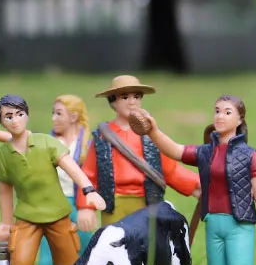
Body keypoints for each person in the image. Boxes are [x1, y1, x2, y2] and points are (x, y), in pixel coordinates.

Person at [138, 95, 256, 265]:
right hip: (213, 223)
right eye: (217, 111)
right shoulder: (206, 152)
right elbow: (175, 150)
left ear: (239, 119)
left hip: (239, 225)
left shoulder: (252, 156)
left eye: (227, 112)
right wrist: (153, 131)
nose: (220, 116)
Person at [0, 94, 105, 265]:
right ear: (1, 122)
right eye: (8, 117)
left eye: (19, 114)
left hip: (58, 215)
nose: (15, 121)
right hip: (27, 217)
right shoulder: (5, 154)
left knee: (69, 264)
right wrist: (6, 222)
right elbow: (4, 189)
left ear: (27, 115)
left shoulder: (46, 142)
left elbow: (72, 168)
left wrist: (89, 190)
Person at [76, 75, 200, 231]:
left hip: (146, 202)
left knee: (146, 242)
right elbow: (88, 174)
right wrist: (85, 206)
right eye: (125, 97)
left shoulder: (152, 135)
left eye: (136, 97)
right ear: (113, 102)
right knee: (114, 240)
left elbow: (170, 169)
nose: (132, 102)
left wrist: (197, 186)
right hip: (114, 203)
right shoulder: (102, 137)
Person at [37, 94, 94, 265]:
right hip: (53, 202)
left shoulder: (87, 145)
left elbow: (93, 176)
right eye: (53, 113)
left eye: (59, 114)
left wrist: (89, 206)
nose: (53, 118)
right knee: (49, 243)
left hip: (79, 202)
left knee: (84, 240)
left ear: (74, 116)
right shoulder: (49, 143)